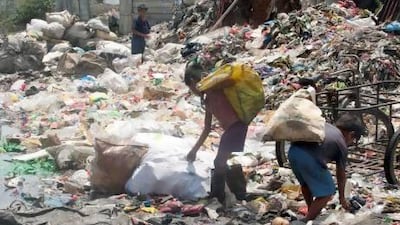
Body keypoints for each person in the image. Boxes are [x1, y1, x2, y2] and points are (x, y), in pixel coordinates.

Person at [184, 61, 249, 204]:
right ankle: (237, 193)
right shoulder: (207, 100)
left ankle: (218, 198)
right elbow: (207, 128)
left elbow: (228, 82)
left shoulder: (215, 90)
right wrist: (194, 150)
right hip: (234, 129)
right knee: (222, 162)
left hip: (236, 127)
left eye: (191, 88)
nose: (193, 92)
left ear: (193, 82)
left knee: (219, 161)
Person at [288, 113, 365, 222]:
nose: (351, 143)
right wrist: (342, 199)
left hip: (293, 153)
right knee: (327, 192)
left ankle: (311, 211)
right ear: (351, 134)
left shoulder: (325, 125)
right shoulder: (341, 143)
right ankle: (305, 221)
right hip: (308, 159)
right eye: (353, 140)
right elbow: (341, 175)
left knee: (306, 184)